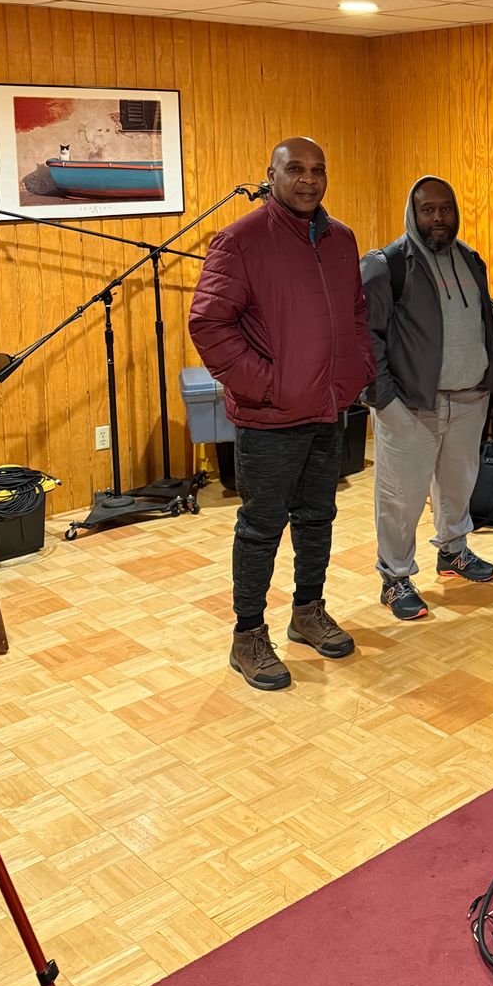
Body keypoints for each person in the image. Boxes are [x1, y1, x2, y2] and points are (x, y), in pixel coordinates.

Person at [188, 137, 374, 692]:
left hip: (326, 409)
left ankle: (308, 612)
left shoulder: (341, 239)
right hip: (269, 418)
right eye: (295, 169)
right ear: (271, 175)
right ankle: (247, 636)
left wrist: (356, 368)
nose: (308, 179)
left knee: (318, 517)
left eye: (318, 169)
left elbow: (356, 312)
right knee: (261, 528)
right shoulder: (240, 241)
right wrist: (269, 387)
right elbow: (209, 325)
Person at [361, 175, 493, 621]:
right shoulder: (387, 265)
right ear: (413, 213)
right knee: (400, 498)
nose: (439, 217)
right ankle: (395, 577)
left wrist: (486, 383)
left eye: (446, 208)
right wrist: (384, 400)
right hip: (410, 405)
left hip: (469, 398)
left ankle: (453, 551)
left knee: (458, 486)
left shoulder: (470, 260)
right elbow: (366, 337)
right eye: (428, 210)